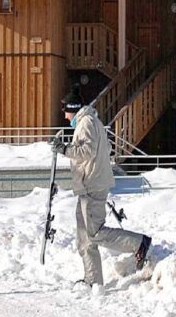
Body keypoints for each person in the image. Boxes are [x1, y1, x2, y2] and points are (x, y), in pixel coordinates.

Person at [53, 92, 151, 286]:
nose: (64, 116)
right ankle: (93, 280)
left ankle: (138, 243)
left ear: (72, 109)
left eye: (65, 111)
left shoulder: (87, 123)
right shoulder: (90, 122)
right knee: (84, 237)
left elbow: (87, 151)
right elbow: (101, 149)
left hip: (92, 185)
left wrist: (64, 149)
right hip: (88, 184)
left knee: (94, 233)